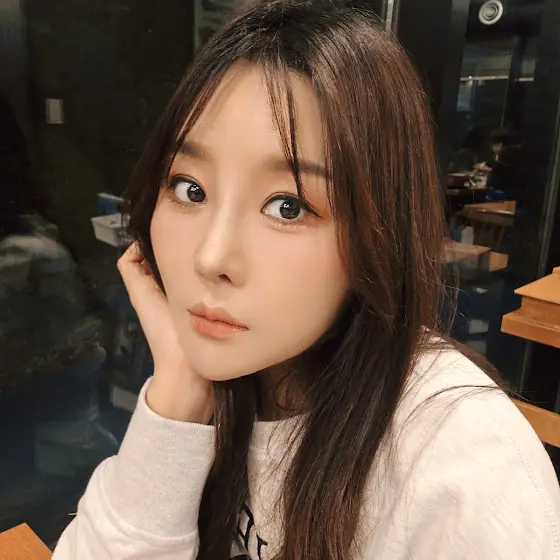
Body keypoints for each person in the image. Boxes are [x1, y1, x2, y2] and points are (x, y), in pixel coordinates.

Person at [52, 1, 560, 559]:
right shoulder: (232, 378)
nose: (211, 257)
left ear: (378, 234)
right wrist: (177, 393)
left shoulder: (463, 469)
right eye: (190, 188)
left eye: (287, 206)